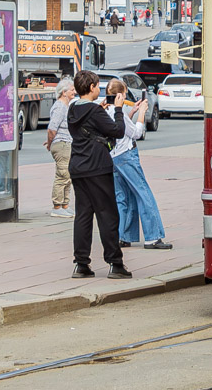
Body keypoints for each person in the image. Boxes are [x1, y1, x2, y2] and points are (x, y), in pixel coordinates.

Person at [66, 70, 129, 279]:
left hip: (78, 167)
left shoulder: (73, 108)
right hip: (97, 167)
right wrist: (118, 109)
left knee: (83, 216)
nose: (98, 89)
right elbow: (118, 131)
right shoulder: (94, 111)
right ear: (92, 87)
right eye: (97, 86)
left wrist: (99, 110)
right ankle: (115, 263)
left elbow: (87, 124)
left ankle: (81, 264)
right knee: (107, 214)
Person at [104, 80, 173, 249]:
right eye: (125, 93)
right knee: (143, 193)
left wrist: (133, 111)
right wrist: (142, 113)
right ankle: (153, 237)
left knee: (123, 197)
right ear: (120, 95)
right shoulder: (115, 111)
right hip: (127, 156)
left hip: (113, 157)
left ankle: (123, 235)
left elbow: (119, 128)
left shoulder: (107, 111)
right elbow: (136, 133)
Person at [45, 78, 76, 218]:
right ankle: (57, 206)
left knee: (67, 175)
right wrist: (50, 143)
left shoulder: (66, 106)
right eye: (72, 90)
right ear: (64, 92)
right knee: (63, 175)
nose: (74, 92)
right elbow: (52, 128)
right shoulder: (59, 106)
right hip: (62, 143)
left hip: (66, 143)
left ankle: (65, 205)